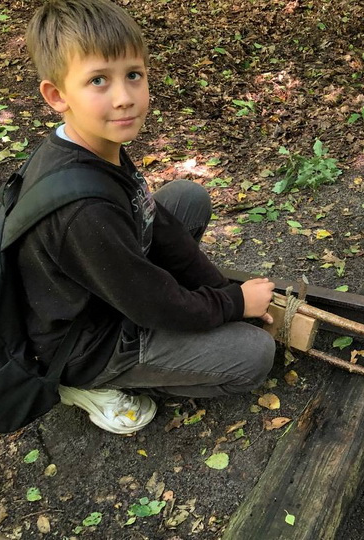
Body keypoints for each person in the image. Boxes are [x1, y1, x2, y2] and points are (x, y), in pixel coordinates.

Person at [20, 0, 276, 435]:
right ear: (57, 96)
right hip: (84, 341)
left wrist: (219, 288)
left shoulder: (96, 144)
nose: (124, 98)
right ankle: (86, 385)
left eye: (133, 75)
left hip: (109, 288)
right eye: (99, 80)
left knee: (185, 198)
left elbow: (158, 223)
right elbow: (154, 304)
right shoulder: (83, 212)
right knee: (254, 357)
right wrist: (234, 305)